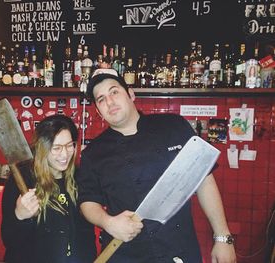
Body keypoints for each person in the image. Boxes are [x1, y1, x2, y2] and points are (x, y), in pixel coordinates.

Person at [77, 69, 237, 263]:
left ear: (131, 94)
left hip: (178, 249)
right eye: (101, 99)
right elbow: (87, 201)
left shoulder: (173, 126)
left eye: (114, 92)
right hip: (126, 253)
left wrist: (223, 238)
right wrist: (108, 222)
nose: (109, 102)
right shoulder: (93, 153)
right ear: (98, 110)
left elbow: (203, 180)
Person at [1, 115, 96, 263]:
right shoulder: (23, 180)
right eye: (56, 148)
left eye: (70, 145)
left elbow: (85, 233)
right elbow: (9, 239)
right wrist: (20, 217)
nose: (65, 154)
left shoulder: (79, 178)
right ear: (42, 148)